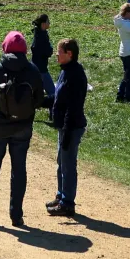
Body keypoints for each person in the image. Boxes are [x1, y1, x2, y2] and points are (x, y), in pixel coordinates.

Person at [0, 31, 45, 226]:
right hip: (22, 127)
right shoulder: (33, 71)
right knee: (19, 170)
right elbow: (39, 99)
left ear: (5, 47)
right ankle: (16, 216)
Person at [47, 38, 87, 217]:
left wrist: (68, 132)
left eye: (59, 52)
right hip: (64, 127)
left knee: (68, 166)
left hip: (71, 126)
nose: (56, 55)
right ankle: (61, 196)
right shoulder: (65, 71)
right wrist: (39, 101)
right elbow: (58, 98)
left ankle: (68, 203)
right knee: (61, 163)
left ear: (69, 54)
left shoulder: (76, 74)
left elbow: (74, 106)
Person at [31, 14, 55, 100]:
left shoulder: (39, 33)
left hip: (36, 66)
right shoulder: (41, 37)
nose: (49, 23)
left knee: (34, 91)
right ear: (43, 24)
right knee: (53, 92)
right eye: (48, 21)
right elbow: (48, 51)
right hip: (41, 69)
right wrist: (50, 50)